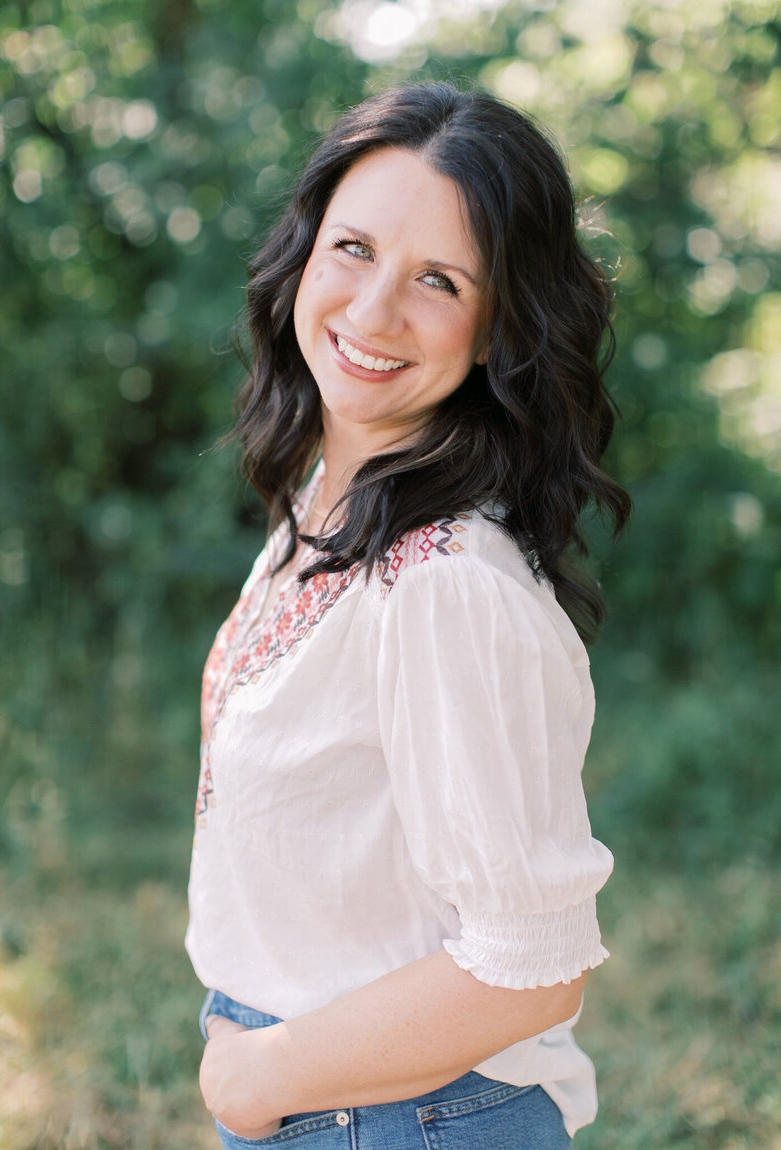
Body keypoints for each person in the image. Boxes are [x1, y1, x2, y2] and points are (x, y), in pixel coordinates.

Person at [186, 81, 630, 1148]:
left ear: (495, 329)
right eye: (352, 249)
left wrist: (261, 1075)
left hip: (398, 1116)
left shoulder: (439, 580)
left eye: (437, 280)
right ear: (303, 252)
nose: (372, 310)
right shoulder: (323, 501)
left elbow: (530, 967)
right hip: (343, 1097)